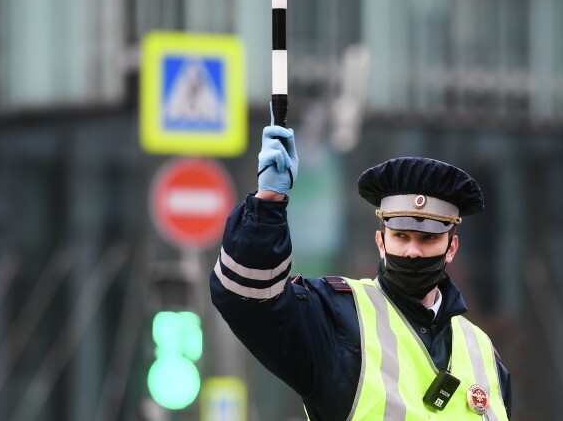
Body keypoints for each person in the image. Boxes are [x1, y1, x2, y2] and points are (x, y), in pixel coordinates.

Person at [210, 122, 512, 420]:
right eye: (401, 236)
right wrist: (267, 204)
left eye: (429, 238)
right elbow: (246, 299)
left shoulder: (482, 352)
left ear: (452, 248)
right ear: (381, 242)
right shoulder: (334, 315)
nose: (412, 251)